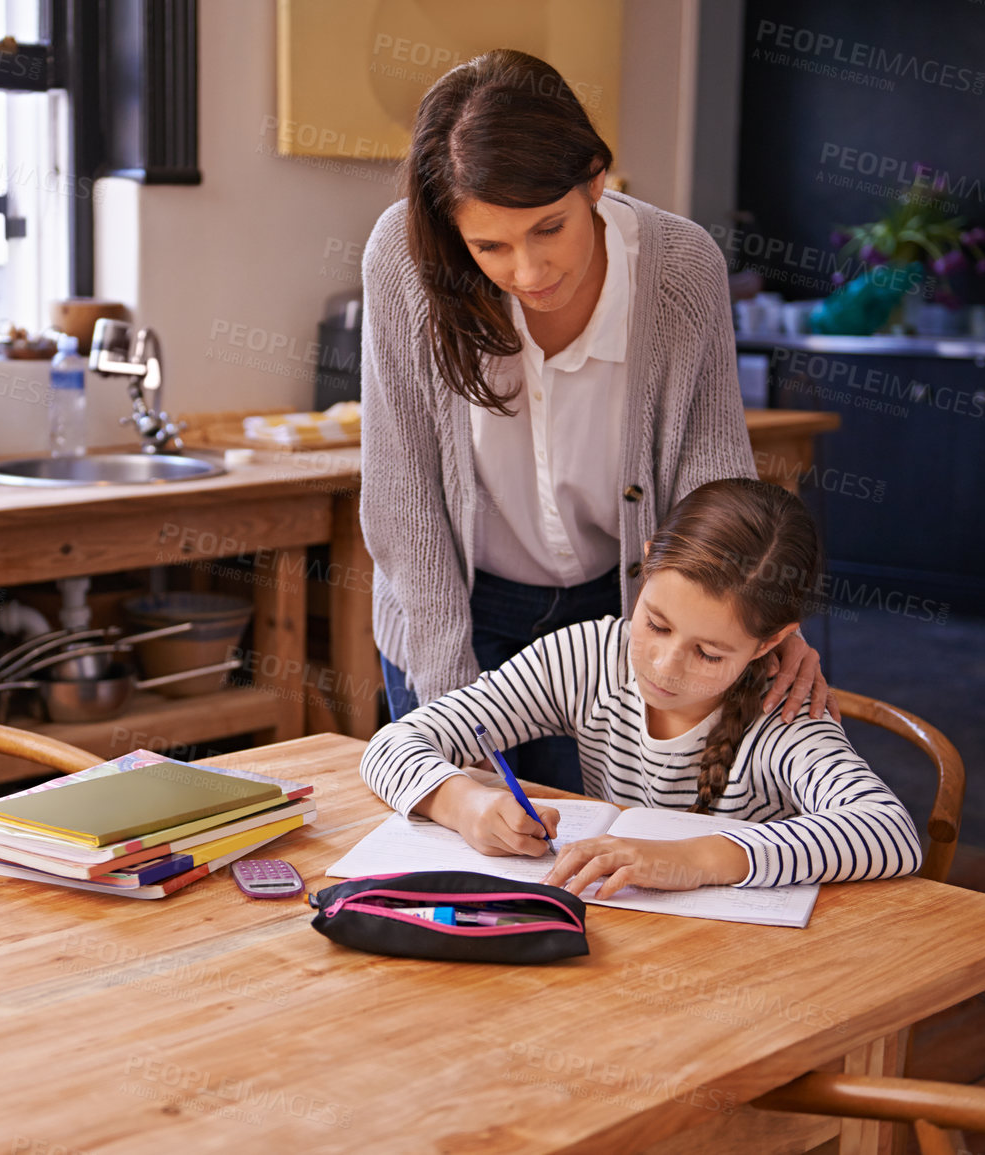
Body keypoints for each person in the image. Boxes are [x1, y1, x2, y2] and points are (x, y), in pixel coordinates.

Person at [360, 49, 835, 793]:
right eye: (489, 246)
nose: (527, 272)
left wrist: (758, 612)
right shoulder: (403, 259)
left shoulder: (680, 267)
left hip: (620, 618)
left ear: (593, 178)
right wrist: (454, 711)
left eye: (549, 228)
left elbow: (712, 482)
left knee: (600, 861)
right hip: (450, 606)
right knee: (464, 861)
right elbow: (403, 496)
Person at [360, 478, 922, 895]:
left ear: (771, 642)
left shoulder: (783, 710)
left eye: (708, 652)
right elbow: (392, 745)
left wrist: (697, 858)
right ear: (647, 564)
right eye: (655, 623)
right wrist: (466, 804)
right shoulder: (586, 658)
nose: (664, 665)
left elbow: (888, 832)